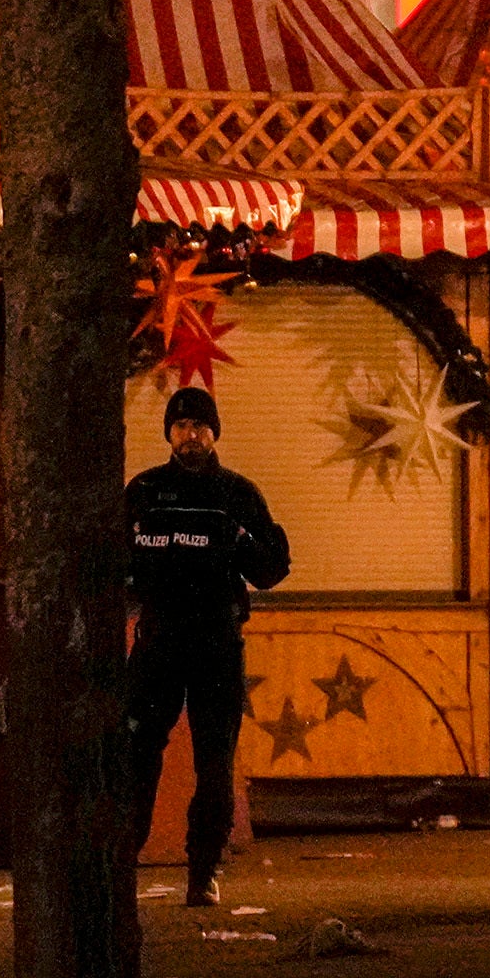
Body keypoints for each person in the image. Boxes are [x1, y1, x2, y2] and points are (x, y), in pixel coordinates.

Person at [115, 388, 294, 906]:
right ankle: (123, 863)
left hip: (216, 643)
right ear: (169, 433)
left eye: (200, 426)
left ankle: (203, 871)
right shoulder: (144, 491)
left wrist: (239, 541)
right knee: (138, 754)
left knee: (214, 763)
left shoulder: (237, 493)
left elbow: (271, 569)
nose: (191, 436)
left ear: (215, 433)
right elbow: (115, 563)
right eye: (182, 426)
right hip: (158, 644)